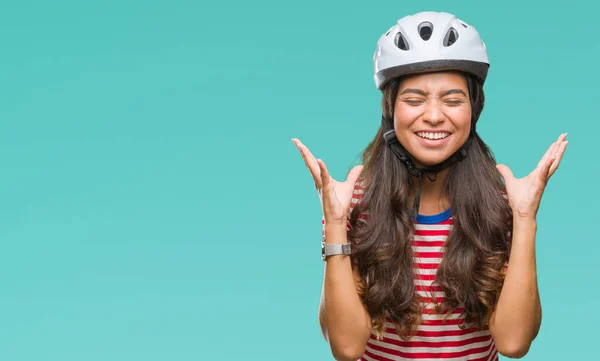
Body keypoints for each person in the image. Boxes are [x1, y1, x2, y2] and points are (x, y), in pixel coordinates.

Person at [292, 11, 568, 361]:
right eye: (414, 99)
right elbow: (346, 348)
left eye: (453, 100)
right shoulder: (354, 203)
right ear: (389, 108)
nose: (435, 115)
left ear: (474, 108)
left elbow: (514, 343)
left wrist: (525, 219)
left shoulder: (502, 205)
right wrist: (335, 222)